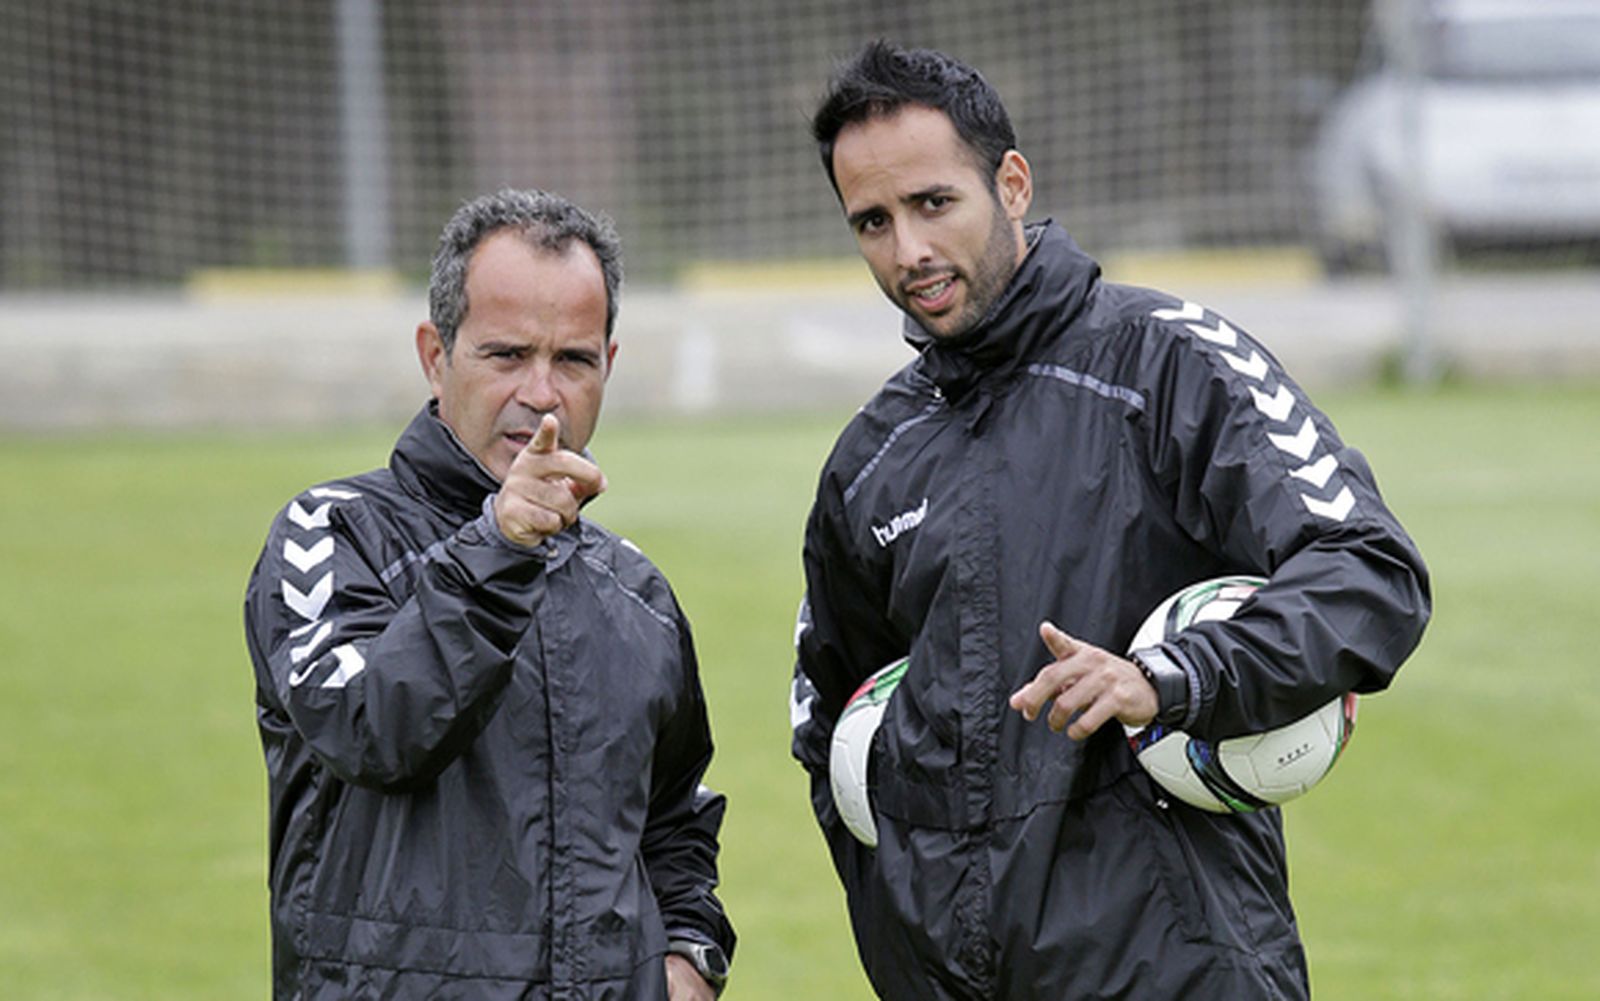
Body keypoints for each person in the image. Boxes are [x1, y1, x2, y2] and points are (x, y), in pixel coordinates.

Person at [788, 40, 1430, 1000]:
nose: (908, 251)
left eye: (933, 204)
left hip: (1176, 972)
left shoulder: (1169, 363)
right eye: (871, 222)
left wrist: (1172, 679)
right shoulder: (868, 461)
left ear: (1011, 183)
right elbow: (830, 729)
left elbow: (1369, 571)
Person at [244, 189, 734, 999]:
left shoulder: (637, 591)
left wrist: (690, 952)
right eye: (507, 354)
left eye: (572, 359)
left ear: (608, 366)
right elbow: (372, 729)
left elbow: (673, 815)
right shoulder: (331, 534)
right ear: (436, 355)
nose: (542, 393)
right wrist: (500, 547)